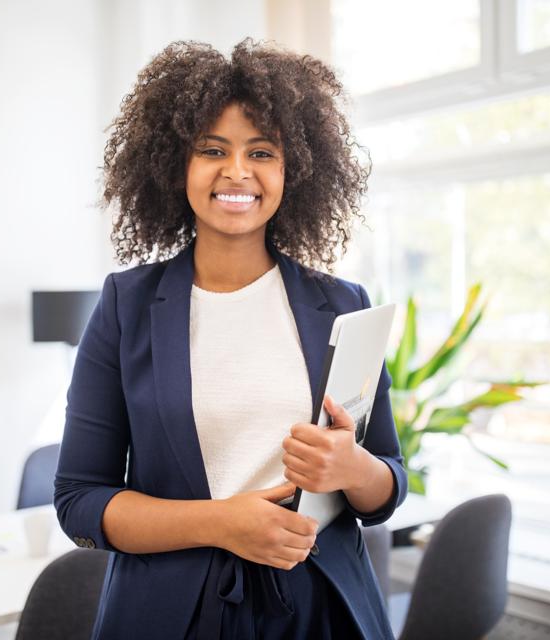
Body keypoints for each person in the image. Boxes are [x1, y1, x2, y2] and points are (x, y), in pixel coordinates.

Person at [54, 38, 408, 640]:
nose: (237, 172)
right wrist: (221, 523)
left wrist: (353, 467)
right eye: (211, 150)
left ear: (293, 168)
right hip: (174, 613)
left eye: (262, 151)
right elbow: (80, 500)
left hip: (324, 608)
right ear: (174, 166)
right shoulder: (126, 305)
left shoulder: (343, 304)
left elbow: (387, 487)